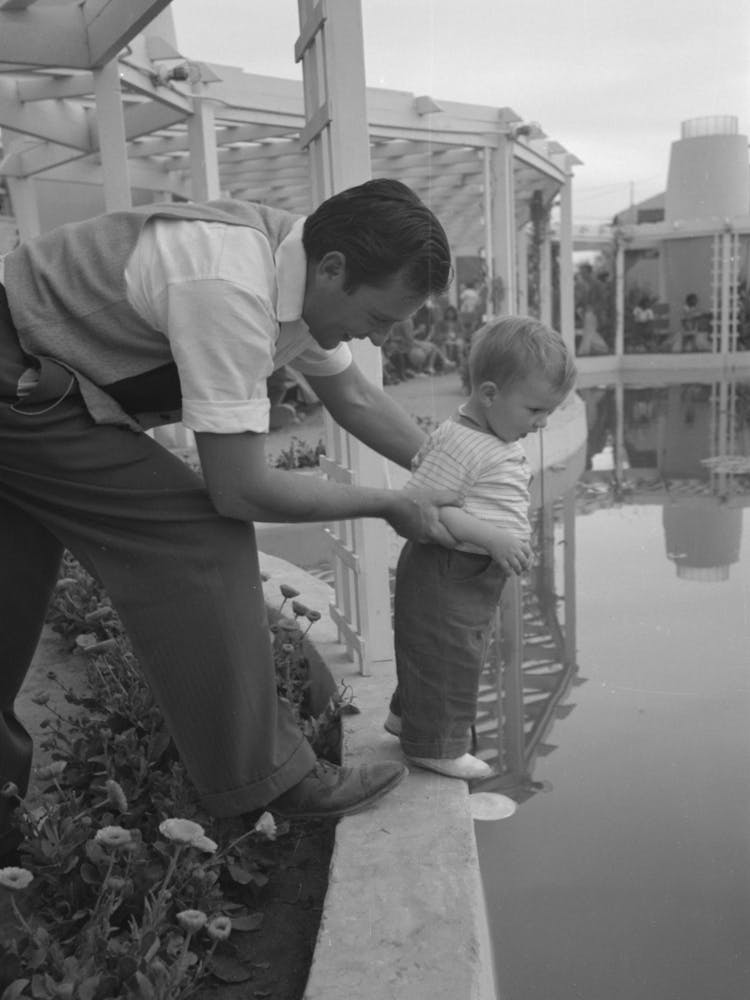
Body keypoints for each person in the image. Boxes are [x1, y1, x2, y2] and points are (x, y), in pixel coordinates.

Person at [0, 178, 460, 858]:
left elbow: (356, 396)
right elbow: (239, 491)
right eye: (381, 316)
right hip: (21, 381)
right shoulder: (229, 285)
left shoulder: (296, 266)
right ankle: (271, 783)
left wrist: (455, 476)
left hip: (28, 375)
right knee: (198, 537)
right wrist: (390, 503)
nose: (381, 335)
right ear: (334, 270)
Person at [384, 316, 577, 780]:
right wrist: (493, 537)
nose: (543, 422)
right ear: (489, 394)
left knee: (441, 651)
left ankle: (405, 717)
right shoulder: (463, 444)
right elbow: (424, 505)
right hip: (446, 568)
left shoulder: (489, 432)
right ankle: (436, 747)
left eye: (548, 412)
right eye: (534, 411)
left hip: (467, 571)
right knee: (449, 656)